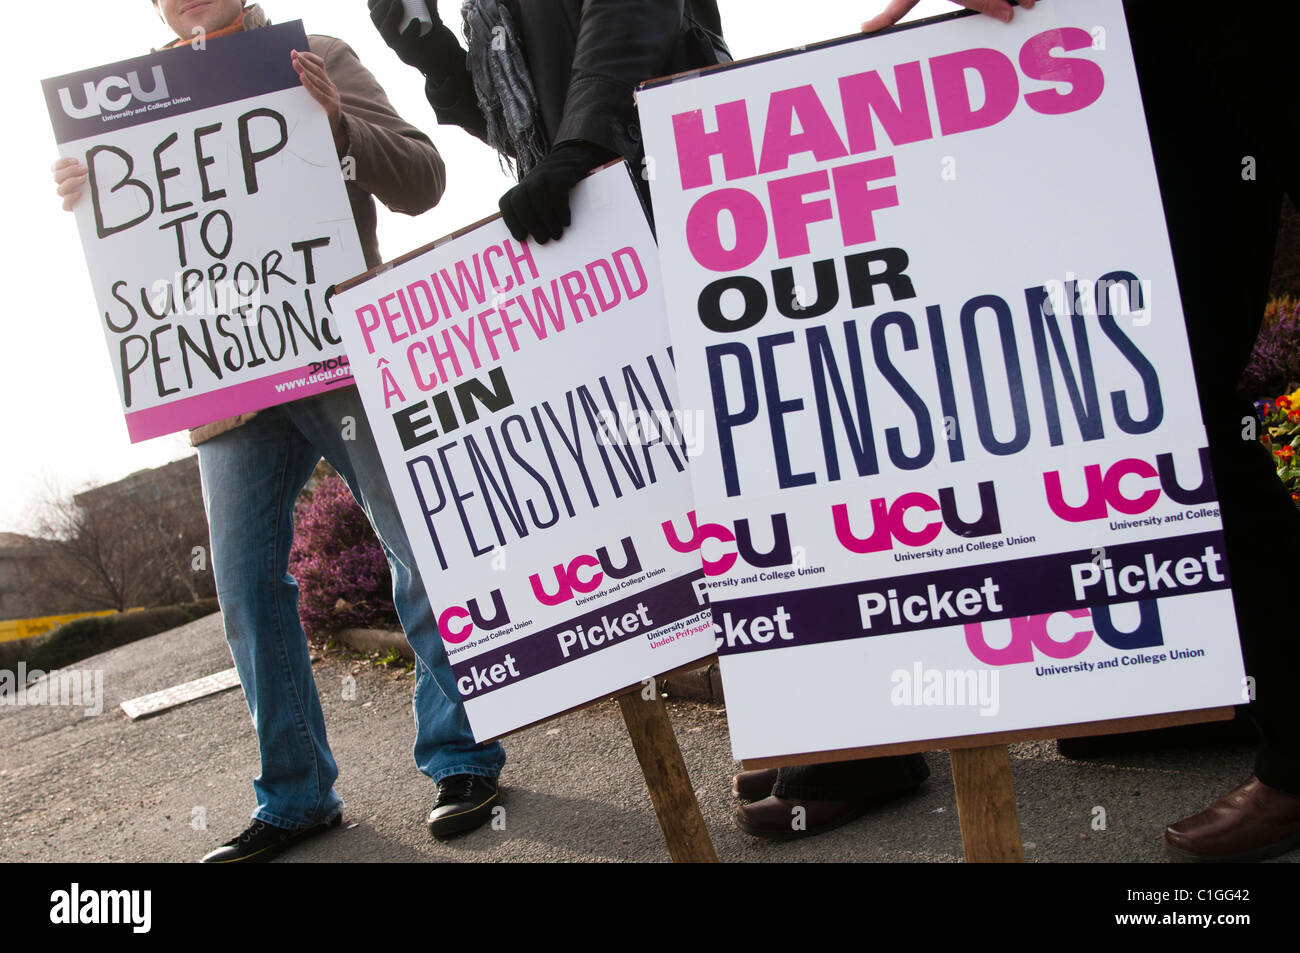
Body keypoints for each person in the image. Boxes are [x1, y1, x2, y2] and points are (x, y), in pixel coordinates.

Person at [53, 0, 506, 863]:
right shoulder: (124, 109)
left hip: (338, 354)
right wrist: (88, 196)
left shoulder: (319, 50)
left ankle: (463, 757)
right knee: (248, 592)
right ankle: (297, 796)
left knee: (418, 551)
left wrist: (336, 121)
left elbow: (422, 179)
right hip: (227, 385)